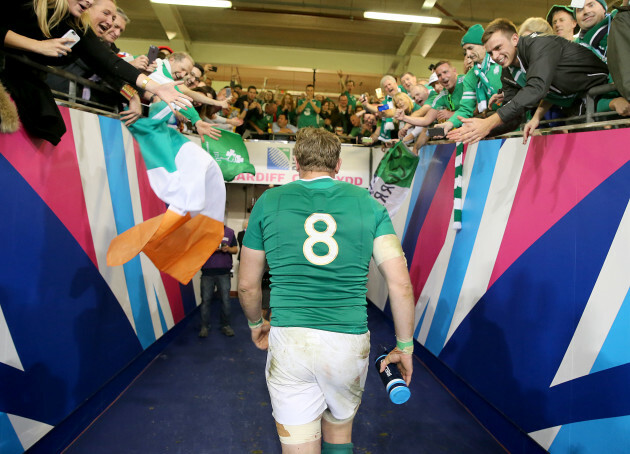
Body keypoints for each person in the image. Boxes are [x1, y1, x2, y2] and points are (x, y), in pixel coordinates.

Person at [238, 127, 415, 454]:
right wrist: (405, 346)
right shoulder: (368, 204)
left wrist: (254, 324)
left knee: (299, 445)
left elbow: (248, 285)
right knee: (339, 428)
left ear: (296, 162)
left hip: (290, 340)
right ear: (338, 163)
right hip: (347, 342)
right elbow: (400, 283)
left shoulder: (268, 201)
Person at [1, 0, 191, 145]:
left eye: (115, 22)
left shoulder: (78, 28)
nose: (110, 25)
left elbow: (108, 65)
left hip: (23, 79)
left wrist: (153, 89)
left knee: (50, 127)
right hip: (13, 76)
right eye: (107, 15)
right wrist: (37, 46)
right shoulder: (31, 5)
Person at [447, 18, 610, 144]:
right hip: (577, 105)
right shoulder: (508, 71)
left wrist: (490, 122)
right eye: (490, 53)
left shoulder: (541, 44)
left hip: (605, 93)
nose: (495, 57)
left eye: (498, 48)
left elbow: (536, 88)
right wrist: (477, 130)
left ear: (515, 39)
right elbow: (513, 114)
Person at [433, 25, 503, 137]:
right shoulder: (470, 77)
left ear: (484, 45)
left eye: (471, 48)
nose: (468, 54)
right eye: (465, 50)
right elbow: (466, 109)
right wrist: (449, 124)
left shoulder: (501, 62)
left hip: (516, 116)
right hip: (494, 119)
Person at [199, 224, 238, 338]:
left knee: (226, 300)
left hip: (224, 273)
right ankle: (204, 326)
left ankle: (226, 325)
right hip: (207, 273)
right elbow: (198, 248)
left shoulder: (230, 232)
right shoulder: (205, 231)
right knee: (206, 301)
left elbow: (235, 249)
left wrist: (228, 249)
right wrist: (209, 248)